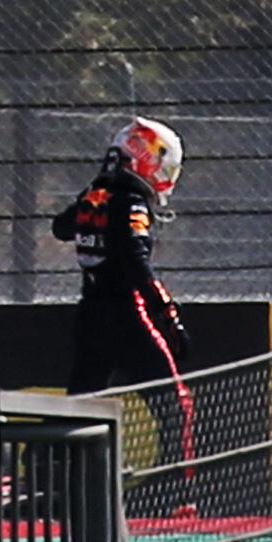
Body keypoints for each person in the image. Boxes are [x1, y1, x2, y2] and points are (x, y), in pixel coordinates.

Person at [52, 117, 193, 479]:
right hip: (128, 319)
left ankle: (58, 482)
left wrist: (96, 186)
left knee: (78, 408)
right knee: (176, 407)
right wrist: (168, 311)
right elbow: (136, 262)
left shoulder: (94, 197)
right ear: (144, 159)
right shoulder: (132, 204)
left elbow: (61, 227)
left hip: (89, 317)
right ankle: (177, 498)